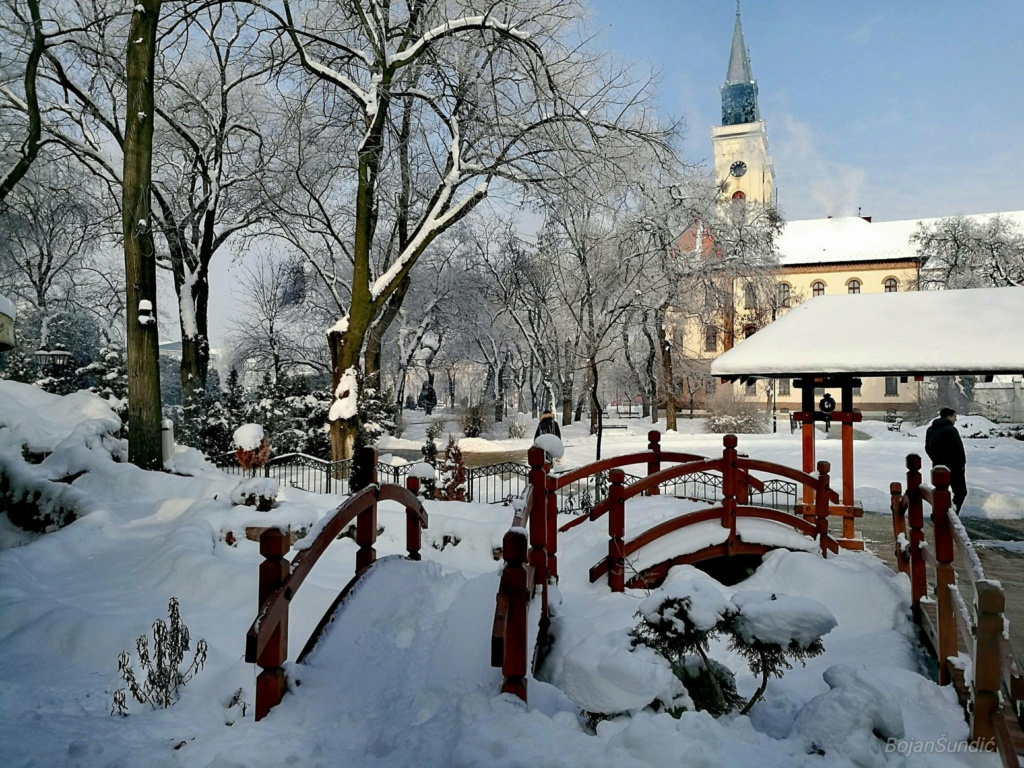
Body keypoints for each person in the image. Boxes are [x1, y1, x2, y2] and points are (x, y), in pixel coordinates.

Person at [925, 407, 967, 512]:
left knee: (940, 492)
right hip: (954, 466)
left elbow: (927, 447)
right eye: (954, 417)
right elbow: (958, 449)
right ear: (948, 417)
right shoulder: (951, 430)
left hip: (938, 466)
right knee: (960, 492)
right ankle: (951, 515)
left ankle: (937, 514)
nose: (956, 419)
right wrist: (961, 464)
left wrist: (935, 459)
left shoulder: (931, 429)